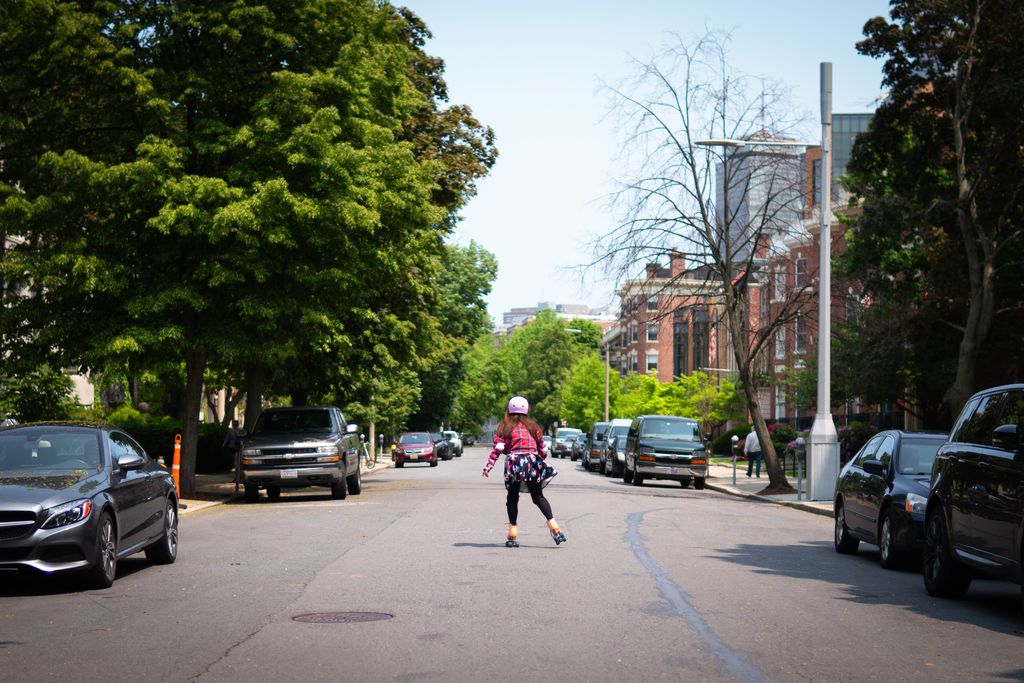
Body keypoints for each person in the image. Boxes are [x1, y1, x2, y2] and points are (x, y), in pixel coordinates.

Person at [482, 396, 565, 547]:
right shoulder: (534, 427)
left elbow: (498, 448)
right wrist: (542, 459)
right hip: (532, 463)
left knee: (512, 498)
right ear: (527, 410)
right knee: (538, 496)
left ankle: (512, 534)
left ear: (509, 409)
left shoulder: (504, 427)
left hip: (514, 465)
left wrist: (489, 466)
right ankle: (554, 527)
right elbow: (542, 448)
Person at [223, 419, 241, 491]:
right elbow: (227, 438)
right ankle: (236, 476)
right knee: (235, 461)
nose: (235, 425)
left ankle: (238, 476)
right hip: (232, 447)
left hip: (238, 447)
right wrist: (224, 445)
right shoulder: (231, 431)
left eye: (236, 423)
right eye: (234, 423)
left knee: (237, 461)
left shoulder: (240, 430)